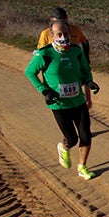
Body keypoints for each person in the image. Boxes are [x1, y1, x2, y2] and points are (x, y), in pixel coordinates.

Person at [25, 20, 97, 180]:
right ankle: (63, 147)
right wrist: (44, 90)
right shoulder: (44, 54)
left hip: (78, 101)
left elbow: (85, 70)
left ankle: (82, 167)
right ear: (51, 36)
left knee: (86, 135)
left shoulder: (76, 51)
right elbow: (29, 72)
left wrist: (89, 82)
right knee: (72, 139)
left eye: (66, 33)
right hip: (59, 104)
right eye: (59, 34)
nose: (64, 37)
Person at [37, 7, 98, 93]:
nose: (61, 22)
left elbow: (85, 42)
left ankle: (87, 99)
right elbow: (40, 52)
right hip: (57, 64)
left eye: (63, 19)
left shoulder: (75, 30)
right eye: (57, 20)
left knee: (84, 76)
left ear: (66, 18)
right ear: (51, 19)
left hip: (74, 59)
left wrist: (86, 57)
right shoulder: (46, 33)